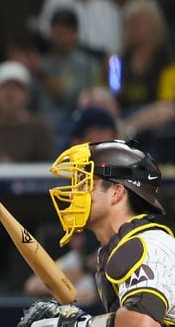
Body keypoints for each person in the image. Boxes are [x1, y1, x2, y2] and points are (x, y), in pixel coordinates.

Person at [17, 140, 175, 327]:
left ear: (116, 192)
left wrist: (78, 324)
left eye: (85, 184)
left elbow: (141, 323)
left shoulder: (149, 244)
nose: (72, 194)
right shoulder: (114, 249)